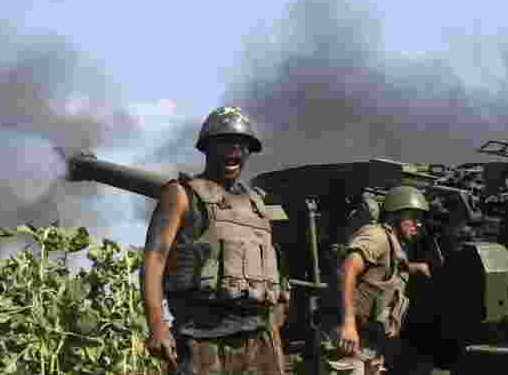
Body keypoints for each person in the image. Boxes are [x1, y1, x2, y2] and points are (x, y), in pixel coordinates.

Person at [141, 106, 289, 375]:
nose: (235, 150)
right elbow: (154, 259)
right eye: (226, 142)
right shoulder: (181, 195)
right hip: (202, 339)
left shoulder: (257, 204)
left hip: (258, 339)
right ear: (208, 148)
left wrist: (274, 341)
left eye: (242, 144)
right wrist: (157, 326)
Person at [321, 185, 431, 375]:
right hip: (348, 337)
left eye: (420, 219)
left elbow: (386, 270)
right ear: (394, 216)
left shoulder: (394, 245)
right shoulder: (376, 237)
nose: (418, 224)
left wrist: (416, 268)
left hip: (369, 342)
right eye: (412, 217)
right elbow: (347, 271)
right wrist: (348, 323)